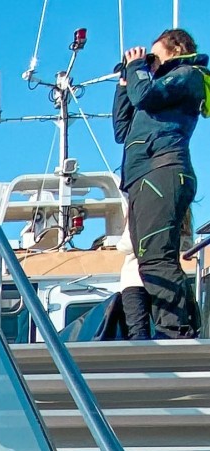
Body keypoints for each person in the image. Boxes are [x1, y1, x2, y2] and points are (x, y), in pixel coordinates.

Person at [113, 27, 208, 337]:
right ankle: (174, 329)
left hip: (162, 170)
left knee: (157, 259)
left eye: (154, 56)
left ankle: (178, 332)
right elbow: (122, 130)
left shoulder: (187, 75)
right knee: (147, 260)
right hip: (143, 176)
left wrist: (138, 68)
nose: (149, 62)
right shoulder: (155, 93)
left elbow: (146, 95)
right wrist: (124, 82)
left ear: (176, 50)